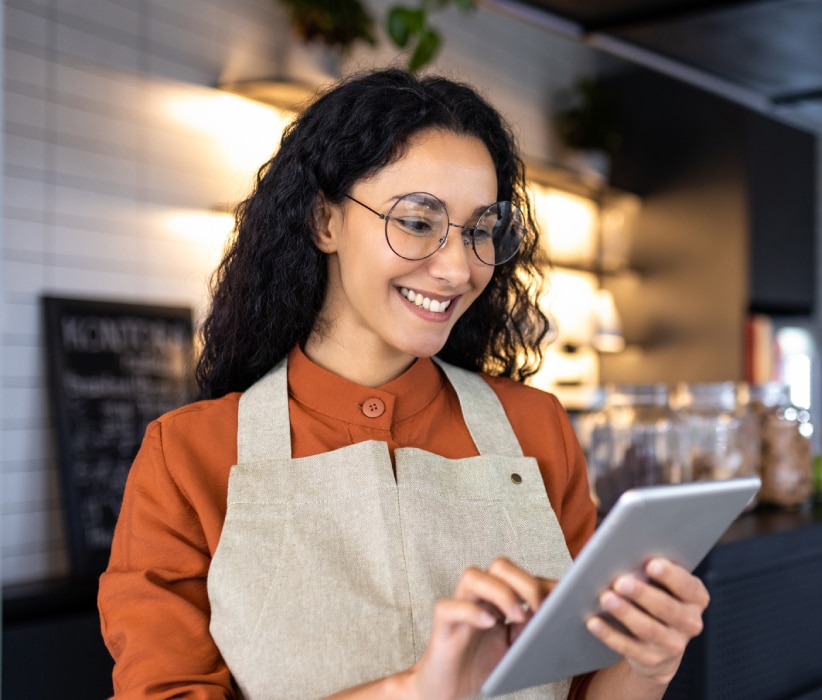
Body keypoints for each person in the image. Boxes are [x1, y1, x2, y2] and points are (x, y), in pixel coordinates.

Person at [97, 68, 709, 699]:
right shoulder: (188, 455)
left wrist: (647, 662)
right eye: (418, 221)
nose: (455, 268)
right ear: (324, 221)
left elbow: (582, 685)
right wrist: (410, 692)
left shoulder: (536, 427)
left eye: (479, 230)